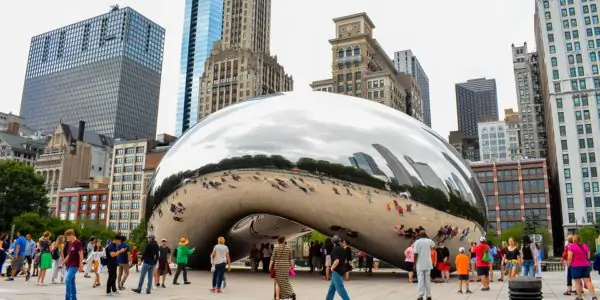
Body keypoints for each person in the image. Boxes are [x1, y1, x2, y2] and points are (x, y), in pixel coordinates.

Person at [567, 234, 598, 300]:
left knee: (577, 282)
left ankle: (579, 297)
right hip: (585, 265)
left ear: (573, 240)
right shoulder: (585, 246)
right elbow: (588, 257)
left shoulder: (571, 247)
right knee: (588, 281)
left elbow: (569, 258)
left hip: (575, 266)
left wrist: (568, 265)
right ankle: (594, 296)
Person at [269, 236, 295, 300]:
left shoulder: (276, 248)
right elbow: (291, 258)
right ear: (284, 240)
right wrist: (292, 266)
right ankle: (290, 293)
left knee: (277, 281)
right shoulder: (288, 248)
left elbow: (272, 258)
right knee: (285, 281)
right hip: (286, 267)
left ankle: (277, 297)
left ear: (278, 240)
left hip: (277, 267)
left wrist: (270, 266)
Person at [325, 236, 350, 300]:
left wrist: (332, 268)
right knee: (331, 289)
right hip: (340, 270)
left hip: (336, 271)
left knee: (340, 289)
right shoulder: (342, 249)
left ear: (333, 242)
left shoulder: (335, 249)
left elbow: (337, 260)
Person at [413, 230, 435, 300]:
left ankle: (420, 296)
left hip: (420, 263)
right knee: (427, 280)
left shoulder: (417, 242)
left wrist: (414, 264)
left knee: (420, 280)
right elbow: (433, 246)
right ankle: (429, 296)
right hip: (428, 263)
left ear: (419, 235)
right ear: (425, 234)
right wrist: (427, 238)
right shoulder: (429, 241)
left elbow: (415, 254)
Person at [63, 229, 83, 300]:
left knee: (67, 280)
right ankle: (74, 298)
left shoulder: (78, 243)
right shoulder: (69, 243)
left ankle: (68, 298)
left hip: (74, 265)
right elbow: (69, 254)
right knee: (72, 281)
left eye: (67, 237)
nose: (66, 238)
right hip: (69, 265)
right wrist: (63, 262)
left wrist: (81, 265)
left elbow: (81, 254)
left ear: (71, 235)